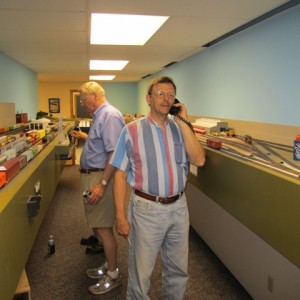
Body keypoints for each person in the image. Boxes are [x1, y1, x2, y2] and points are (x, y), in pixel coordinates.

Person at [110, 76, 206, 299]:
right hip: (147, 210)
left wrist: (184, 122)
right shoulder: (131, 131)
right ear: (148, 98)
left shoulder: (180, 129)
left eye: (171, 95)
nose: (166, 99)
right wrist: (120, 216)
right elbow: (120, 174)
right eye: (160, 94)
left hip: (179, 208)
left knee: (178, 271)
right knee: (141, 274)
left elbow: (199, 160)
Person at [71, 81, 125, 295]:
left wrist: (102, 185)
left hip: (99, 179)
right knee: (96, 224)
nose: (83, 104)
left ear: (94, 95)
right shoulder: (101, 115)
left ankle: (113, 275)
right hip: (91, 178)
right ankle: (108, 266)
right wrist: (87, 138)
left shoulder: (109, 115)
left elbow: (114, 154)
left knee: (103, 228)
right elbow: (102, 144)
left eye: (84, 99)